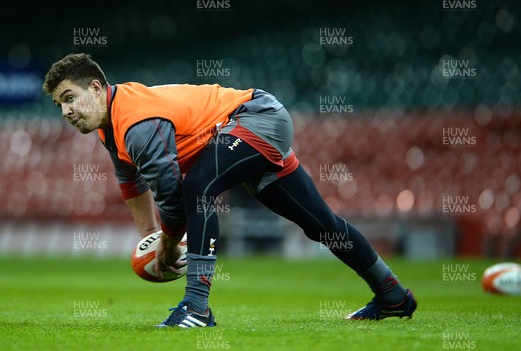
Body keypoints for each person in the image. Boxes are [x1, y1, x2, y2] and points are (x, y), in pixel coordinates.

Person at [42, 53, 417, 327]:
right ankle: (393, 295)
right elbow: (132, 182)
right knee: (322, 225)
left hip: (255, 119)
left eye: (70, 98)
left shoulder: (136, 123)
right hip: (244, 129)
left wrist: (169, 247)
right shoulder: (113, 127)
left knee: (198, 188)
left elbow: (171, 196)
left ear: (96, 87)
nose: (66, 111)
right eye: (60, 105)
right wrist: (150, 237)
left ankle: (196, 308)